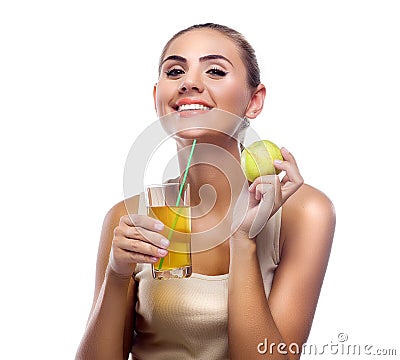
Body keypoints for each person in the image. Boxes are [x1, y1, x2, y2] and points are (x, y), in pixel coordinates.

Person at [75, 23, 335, 360]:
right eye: (175, 71)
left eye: (214, 70)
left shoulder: (305, 212)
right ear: (157, 99)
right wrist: (116, 273)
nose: (189, 82)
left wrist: (244, 239)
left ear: (254, 101)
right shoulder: (128, 217)